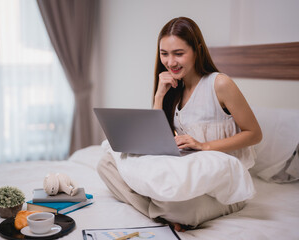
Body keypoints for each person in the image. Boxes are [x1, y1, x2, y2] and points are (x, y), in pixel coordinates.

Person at [97, 17, 262, 231]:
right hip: (190, 178)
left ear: (197, 51)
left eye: (178, 53)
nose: (170, 62)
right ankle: (161, 212)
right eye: (164, 54)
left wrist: (205, 146)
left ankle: (163, 211)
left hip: (225, 187)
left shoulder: (220, 84)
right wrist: (159, 96)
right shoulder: (175, 89)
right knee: (106, 165)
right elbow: (158, 140)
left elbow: (255, 133)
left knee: (177, 208)